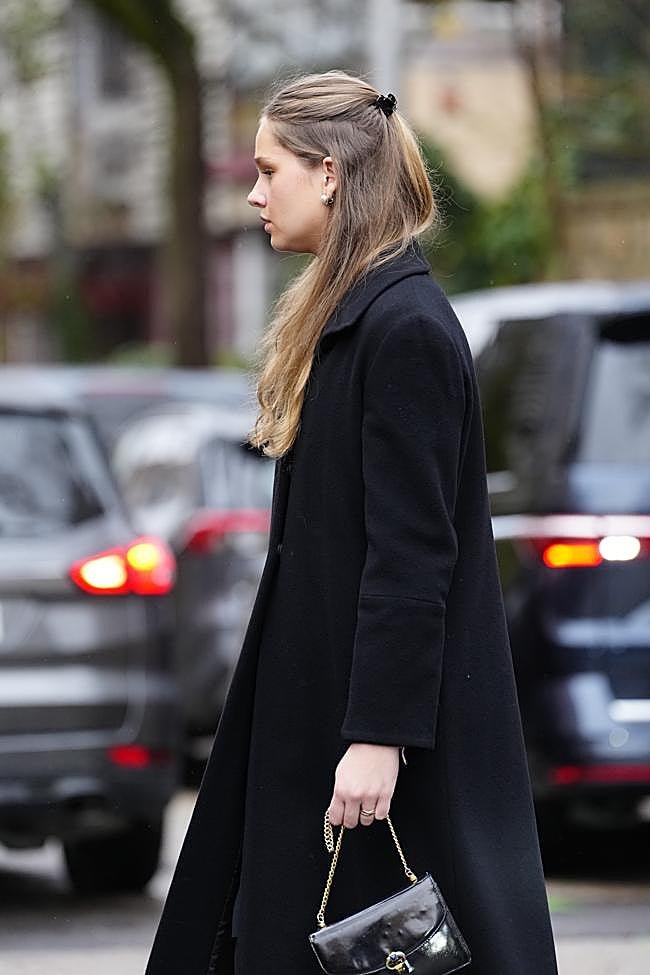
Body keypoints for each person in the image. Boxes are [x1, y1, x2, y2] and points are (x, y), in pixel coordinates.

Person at [145, 70, 559, 975]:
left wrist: (377, 737)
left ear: (329, 173)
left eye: (268, 170)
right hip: (319, 727)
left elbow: (413, 559)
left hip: (366, 751)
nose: (253, 192)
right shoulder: (356, 320)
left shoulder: (401, 328)